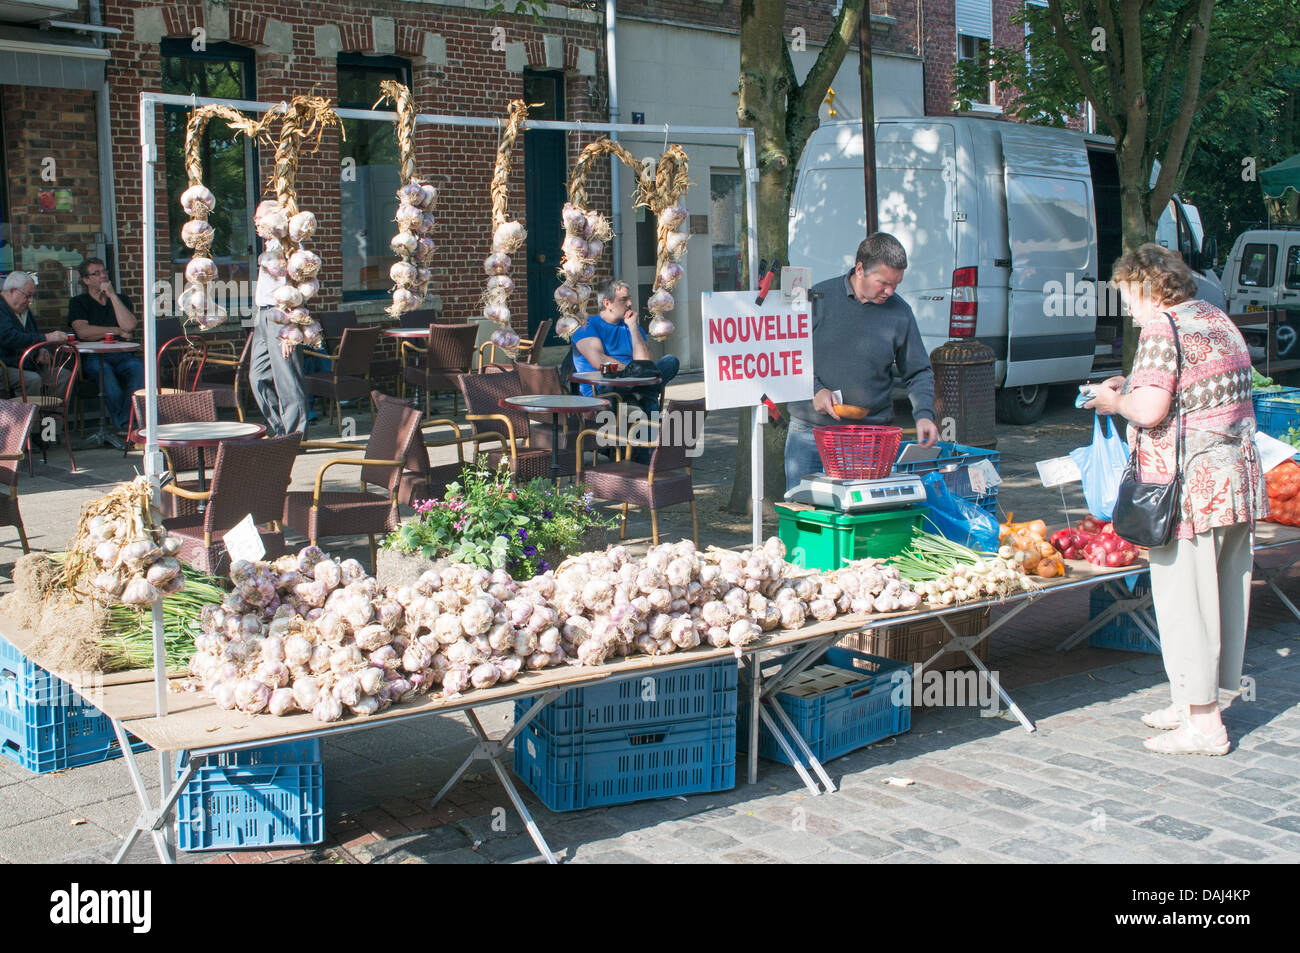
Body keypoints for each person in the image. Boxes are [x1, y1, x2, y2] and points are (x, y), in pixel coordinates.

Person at [1086, 243, 1264, 757]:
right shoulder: (1214, 316)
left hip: (1187, 489)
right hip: (1234, 481)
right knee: (1225, 595)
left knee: (1186, 601)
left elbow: (1149, 408)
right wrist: (1133, 384)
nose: (1128, 311)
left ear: (1147, 287)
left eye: (1128, 297)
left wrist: (1113, 399)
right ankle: (1193, 701)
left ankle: (1205, 725)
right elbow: (1190, 387)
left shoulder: (1164, 326)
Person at [785, 232, 939, 491]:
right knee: (804, 516)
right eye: (883, 283)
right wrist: (815, 389)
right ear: (860, 269)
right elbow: (789, 352)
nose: (890, 291)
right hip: (810, 432)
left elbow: (918, 371)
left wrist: (924, 414)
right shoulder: (818, 298)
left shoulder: (900, 312)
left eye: (896, 284)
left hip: (871, 437)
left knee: (861, 522)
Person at [571, 279, 680, 412]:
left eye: (629, 299)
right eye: (623, 300)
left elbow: (646, 362)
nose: (630, 303)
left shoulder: (630, 324)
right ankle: (643, 394)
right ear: (607, 303)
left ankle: (639, 394)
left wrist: (633, 327)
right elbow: (599, 361)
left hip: (634, 383)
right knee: (648, 397)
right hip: (603, 389)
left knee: (670, 361)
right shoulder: (587, 326)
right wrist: (633, 371)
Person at [68, 258, 146, 431]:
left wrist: (112, 296)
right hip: (94, 357)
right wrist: (116, 331)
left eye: (104, 272)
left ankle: (126, 424)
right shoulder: (79, 302)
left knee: (138, 370)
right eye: (96, 273)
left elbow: (130, 325)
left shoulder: (121, 300)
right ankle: (125, 425)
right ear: (86, 280)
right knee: (108, 379)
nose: (103, 276)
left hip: (122, 355)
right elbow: (82, 332)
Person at [249, 247, 307, 437]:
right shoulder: (269, 246)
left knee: (287, 378)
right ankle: (280, 429)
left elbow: (299, 287)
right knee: (257, 376)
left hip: (282, 314)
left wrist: (291, 328)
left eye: (259, 216)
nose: (256, 221)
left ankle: (296, 436)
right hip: (263, 314)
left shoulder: (289, 245)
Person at [0, 270, 69, 396]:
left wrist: (40, 349)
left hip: (27, 363)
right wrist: (46, 338)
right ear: (12, 291)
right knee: (32, 380)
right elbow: (9, 338)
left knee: (63, 376)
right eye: (27, 295)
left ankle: (52, 414)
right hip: (6, 366)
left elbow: (32, 334)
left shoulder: (23, 308)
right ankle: (28, 415)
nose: (30, 300)